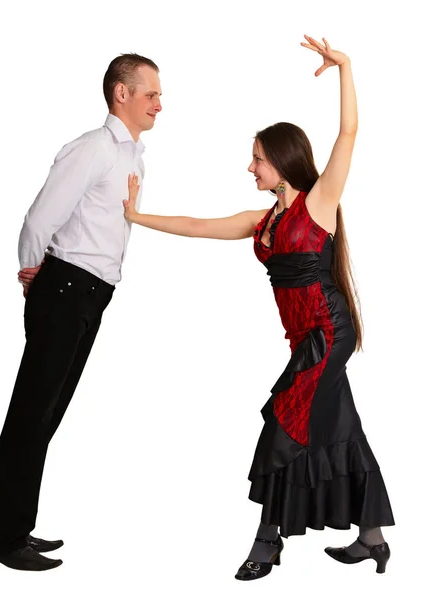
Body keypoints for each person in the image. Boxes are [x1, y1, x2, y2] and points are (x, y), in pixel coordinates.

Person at [123, 35, 394, 580]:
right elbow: (200, 228)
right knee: (338, 426)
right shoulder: (263, 220)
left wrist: (344, 67)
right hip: (304, 341)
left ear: (282, 161)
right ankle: (371, 538)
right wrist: (137, 216)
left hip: (327, 332)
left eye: (258, 159)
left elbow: (348, 133)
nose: (251, 168)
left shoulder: (319, 204)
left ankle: (267, 543)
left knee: (283, 429)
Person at [0, 53, 163, 571]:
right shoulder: (94, 149)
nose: (159, 105)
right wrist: (34, 273)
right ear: (121, 93)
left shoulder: (133, 157)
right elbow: (40, 218)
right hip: (64, 289)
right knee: (31, 415)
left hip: (90, 293)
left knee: (46, 417)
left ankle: (14, 528)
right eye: (151, 94)